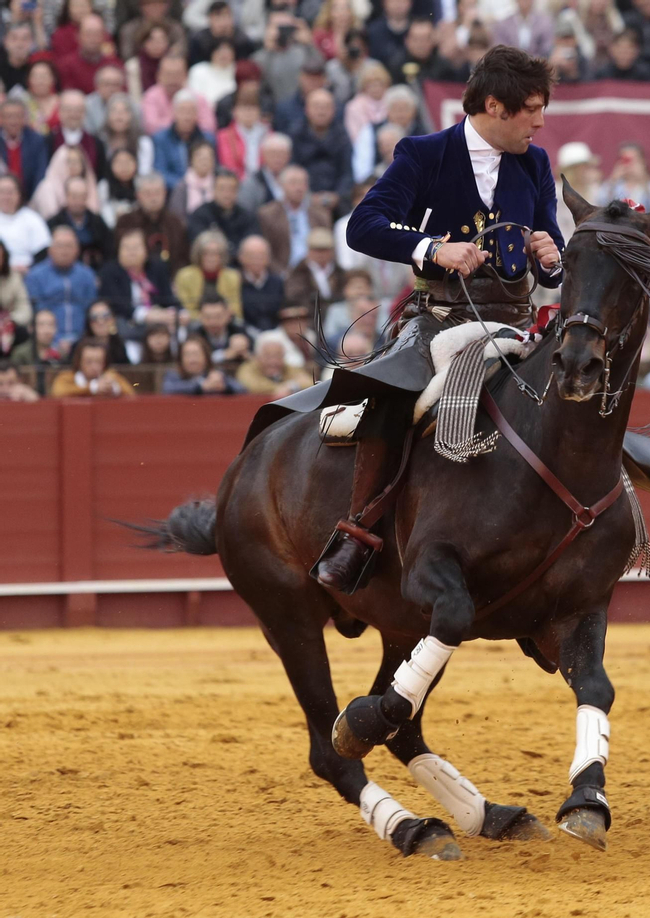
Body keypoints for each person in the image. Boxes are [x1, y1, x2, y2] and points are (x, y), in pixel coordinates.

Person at [238, 47, 569, 594]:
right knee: (390, 399)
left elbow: (548, 255)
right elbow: (362, 226)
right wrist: (433, 249)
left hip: (517, 324)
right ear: (494, 105)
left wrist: (550, 254)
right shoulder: (424, 154)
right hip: (440, 319)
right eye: (532, 109)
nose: (540, 121)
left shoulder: (533, 162)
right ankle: (358, 533)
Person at [25, 226, 98, 347]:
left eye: (69, 246)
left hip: (82, 340)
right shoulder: (35, 276)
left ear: (77, 249)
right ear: (50, 249)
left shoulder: (87, 275)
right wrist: (57, 340)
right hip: (47, 341)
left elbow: (91, 308)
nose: (64, 251)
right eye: (59, 246)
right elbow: (37, 311)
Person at [48, 337, 136, 398]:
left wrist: (114, 388)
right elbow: (58, 392)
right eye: (88, 362)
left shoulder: (111, 376)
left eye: (98, 361)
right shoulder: (67, 377)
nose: (94, 367)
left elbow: (131, 394)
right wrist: (92, 388)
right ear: (79, 362)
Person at [236, 332, 315, 396]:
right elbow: (252, 385)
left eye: (278, 356)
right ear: (258, 357)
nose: (273, 362)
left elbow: (309, 382)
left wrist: (291, 386)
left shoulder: (288, 368)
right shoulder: (247, 368)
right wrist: (280, 388)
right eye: (268, 356)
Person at [161, 335, 243, 395]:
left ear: (206, 357)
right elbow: (167, 388)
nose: (192, 359)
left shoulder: (215, 374)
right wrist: (201, 386)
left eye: (196, 354)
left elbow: (242, 389)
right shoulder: (173, 375)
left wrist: (225, 387)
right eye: (187, 355)